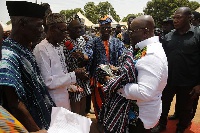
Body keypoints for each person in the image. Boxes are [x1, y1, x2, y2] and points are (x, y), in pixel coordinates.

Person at [100, 15, 167, 133]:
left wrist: (115, 83)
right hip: (139, 112)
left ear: (145, 32)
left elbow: (144, 92)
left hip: (140, 118)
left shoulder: (151, 54)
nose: (129, 34)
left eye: (132, 31)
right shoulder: (145, 49)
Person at [0, 1, 56, 132]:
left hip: (46, 122)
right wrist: (36, 130)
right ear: (22, 24)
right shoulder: (8, 55)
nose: (42, 30)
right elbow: (14, 104)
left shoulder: (24, 49)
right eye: (39, 25)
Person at [151, 7, 200, 133]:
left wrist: (199, 84)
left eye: (179, 17)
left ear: (189, 18)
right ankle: (161, 124)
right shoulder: (168, 37)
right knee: (164, 104)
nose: (175, 20)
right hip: (169, 80)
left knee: (185, 108)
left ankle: (181, 128)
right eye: (174, 17)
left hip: (189, 82)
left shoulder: (198, 35)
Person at [33, 13, 88, 111]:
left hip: (64, 100)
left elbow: (61, 75)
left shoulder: (59, 47)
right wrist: (74, 75)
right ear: (52, 29)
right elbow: (48, 82)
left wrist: (71, 85)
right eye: (62, 30)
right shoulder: (41, 49)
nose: (65, 34)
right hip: (52, 104)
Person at [84, 15, 125, 121]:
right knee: (99, 105)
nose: (106, 29)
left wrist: (117, 68)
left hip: (113, 79)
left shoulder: (117, 42)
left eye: (108, 27)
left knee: (113, 104)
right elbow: (88, 55)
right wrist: (83, 56)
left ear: (111, 28)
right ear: (99, 28)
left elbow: (123, 57)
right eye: (103, 27)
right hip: (98, 80)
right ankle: (101, 122)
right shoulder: (93, 42)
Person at [60, 15, 91, 116]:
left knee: (83, 110)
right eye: (75, 28)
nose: (79, 30)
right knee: (75, 112)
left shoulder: (82, 40)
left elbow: (87, 58)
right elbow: (63, 65)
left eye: (80, 27)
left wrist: (83, 59)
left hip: (83, 79)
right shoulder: (63, 43)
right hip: (72, 80)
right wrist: (75, 73)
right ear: (69, 30)